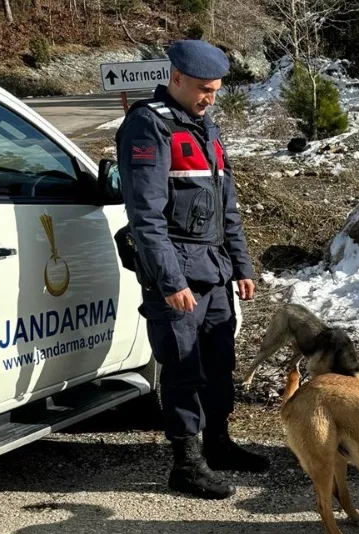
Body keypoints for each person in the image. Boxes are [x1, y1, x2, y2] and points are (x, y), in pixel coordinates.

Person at [116, 40, 267, 500]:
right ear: (176, 79)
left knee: (220, 363)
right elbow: (146, 217)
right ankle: (186, 463)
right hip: (177, 274)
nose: (210, 98)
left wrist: (242, 265)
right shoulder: (148, 128)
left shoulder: (206, 129)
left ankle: (218, 444)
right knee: (183, 369)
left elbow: (229, 210)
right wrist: (169, 281)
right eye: (203, 89)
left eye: (216, 90)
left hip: (215, 270)